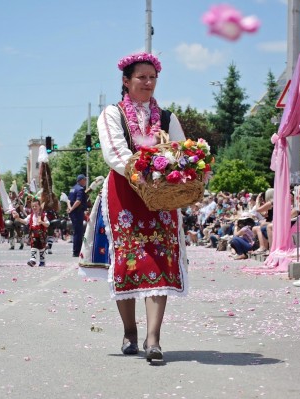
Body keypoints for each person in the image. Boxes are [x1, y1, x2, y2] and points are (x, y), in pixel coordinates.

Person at [80, 52, 188, 362]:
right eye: (141, 77)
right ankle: (130, 330)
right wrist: (148, 170)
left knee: (160, 261)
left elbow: (180, 152)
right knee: (128, 262)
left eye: (153, 77)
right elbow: (115, 153)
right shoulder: (112, 114)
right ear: (126, 82)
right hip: (125, 195)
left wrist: (179, 171)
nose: (148, 82)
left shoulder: (168, 118)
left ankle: (153, 339)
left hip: (161, 199)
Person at [16, 198, 50, 267]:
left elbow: (48, 224)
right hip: (33, 234)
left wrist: (42, 222)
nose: (34, 207)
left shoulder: (43, 215)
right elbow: (25, 221)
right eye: (33, 206)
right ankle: (33, 260)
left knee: (41, 248)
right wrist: (18, 218)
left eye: (36, 206)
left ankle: (42, 261)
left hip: (41, 235)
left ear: (39, 207)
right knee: (33, 246)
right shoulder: (30, 216)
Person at [68, 174, 87, 257]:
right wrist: (72, 209)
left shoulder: (73, 188)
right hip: (77, 212)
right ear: (81, 180)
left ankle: (76, 250)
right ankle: (76, 251)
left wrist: (70, 209)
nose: (86, 181)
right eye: (85, 179)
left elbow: (68, 200)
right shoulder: (80, 189)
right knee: (78, 232)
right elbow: (78, 201)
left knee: (76, 231)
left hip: (73, 212)